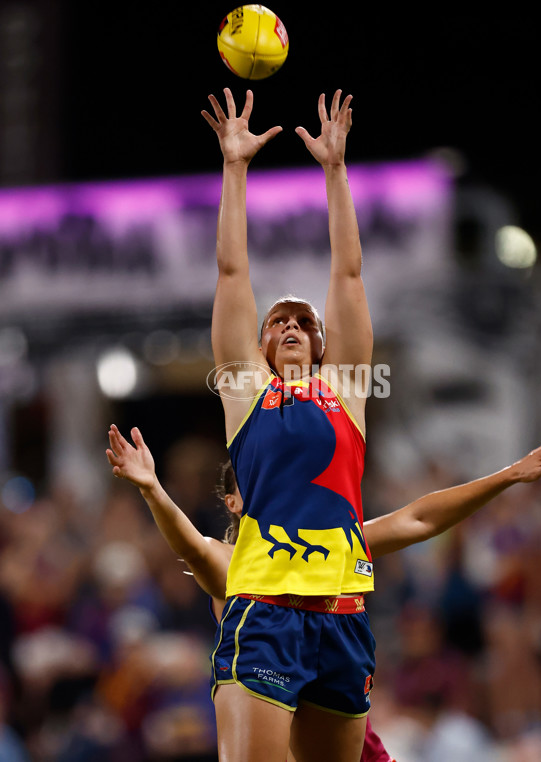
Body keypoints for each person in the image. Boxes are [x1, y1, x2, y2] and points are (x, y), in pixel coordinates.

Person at [106, 424, 541, 762]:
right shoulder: (230, 561)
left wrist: (508, 476)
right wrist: (151, 489)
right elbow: (189, 545)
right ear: (232, 500)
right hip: (278, 735)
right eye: (259, 478)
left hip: (342, 729)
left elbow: (417, 518)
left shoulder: (333, 544)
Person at [200, 86, 375, 762]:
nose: (293, 327)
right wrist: (235, 167)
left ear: (324, 346)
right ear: (261, 347)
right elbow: (232, 268)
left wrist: (335, 171)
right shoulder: (244, 392)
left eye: (305, 322)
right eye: (279, 322)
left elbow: (350, 274)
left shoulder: (347, 390)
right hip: (266, 611)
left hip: (343, 617)